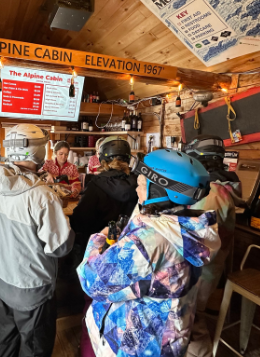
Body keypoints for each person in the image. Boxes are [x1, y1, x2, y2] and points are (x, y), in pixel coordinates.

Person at [77, 149, 217, 357]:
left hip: (136, 344)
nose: (136, 188)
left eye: (142, 184)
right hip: (166, 333)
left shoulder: (149, 240)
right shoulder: (189, 226)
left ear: (161, 191)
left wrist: (98, 238)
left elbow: (92, 281)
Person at [0, 124, 74, 357]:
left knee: (5, 341)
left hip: (3, 281)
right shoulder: (42, 196)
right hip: (33, 290)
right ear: (39, 152)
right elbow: (60, 247)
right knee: (34, 349)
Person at [68, 137, 138, 357]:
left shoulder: (96, 185)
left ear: (101, 159)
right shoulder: (141, 183)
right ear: (128, 159)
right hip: (128, 253)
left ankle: (88, 351)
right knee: (121, 304)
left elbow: (79, 222)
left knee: (93, 304)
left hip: (99, 253)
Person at [185, 135, 245, 357]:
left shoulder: (212, 194)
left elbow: (195, 243)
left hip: (201, 272)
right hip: (203, 268)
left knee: (191, 321)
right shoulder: (213, 188)